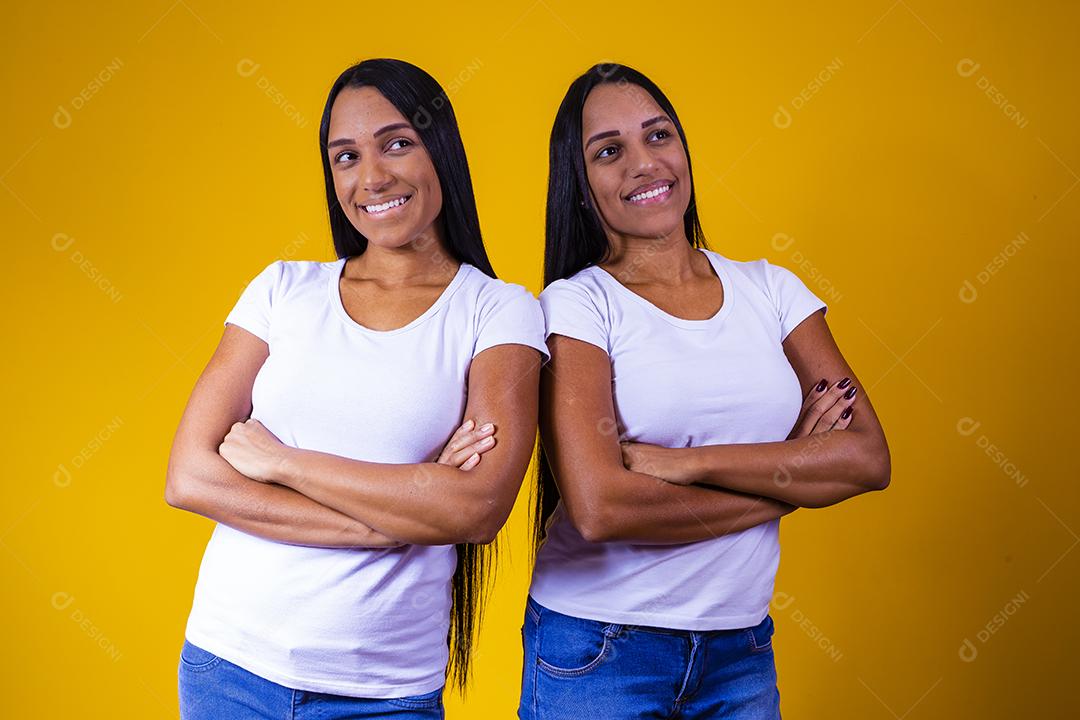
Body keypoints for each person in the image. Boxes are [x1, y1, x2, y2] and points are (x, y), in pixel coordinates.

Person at [165, 58, 548, 719]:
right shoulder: (282, 290)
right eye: (345, 156)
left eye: (397, 142)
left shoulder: (499, 311)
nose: (372, 177)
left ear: (441, 149)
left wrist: (282, 462)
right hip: (227, 668)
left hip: (382, 696)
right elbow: (190, 479)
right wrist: (390, 523)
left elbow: (478, 508)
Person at [519, 63, 890, 719]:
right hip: (602, 647)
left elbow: (866, 459)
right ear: (580, 185)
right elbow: (603, 507)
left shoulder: (773, 291)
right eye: (609, 151)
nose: (643, 164)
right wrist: (788, 478)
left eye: (658, 136)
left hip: (740, 649)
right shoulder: (575, 307)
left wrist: (688, 464)